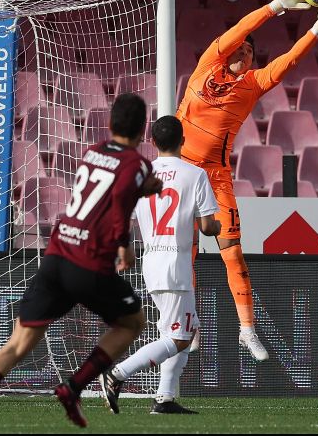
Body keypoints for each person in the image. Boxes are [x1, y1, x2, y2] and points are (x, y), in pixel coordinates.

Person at [0, 94, 163, 434]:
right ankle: (74, 387)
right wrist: (125, 247)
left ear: (110, 124)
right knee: (133, 322)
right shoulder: (138, 164)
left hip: (56, 256)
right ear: (143, 128)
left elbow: (108, 190)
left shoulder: (94, 152)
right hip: (89, 263)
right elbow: (119, 201)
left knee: (16, 344)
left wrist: (141, 188)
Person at [176, 0, 318, 361]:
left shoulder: (252, 85)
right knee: (183, 252)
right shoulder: (206, 65)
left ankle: (246, 330)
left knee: (232, 254)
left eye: (252, 55)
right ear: (230, 51)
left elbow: (289, 61)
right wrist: (277, 6)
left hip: (215, 178)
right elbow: (241, 28)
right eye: (244, 52)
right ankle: (190, 322)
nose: (248, 57)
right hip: (181, 172)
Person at [98, 115, 221, 415]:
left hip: (152, 258)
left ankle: (164, 398)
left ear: (152, 142)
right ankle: (116, 375)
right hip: (175, 263)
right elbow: (206, 227)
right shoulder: (195, 175)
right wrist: (217, 227)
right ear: (183, 141)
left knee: (187, 329)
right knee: (178, 336)